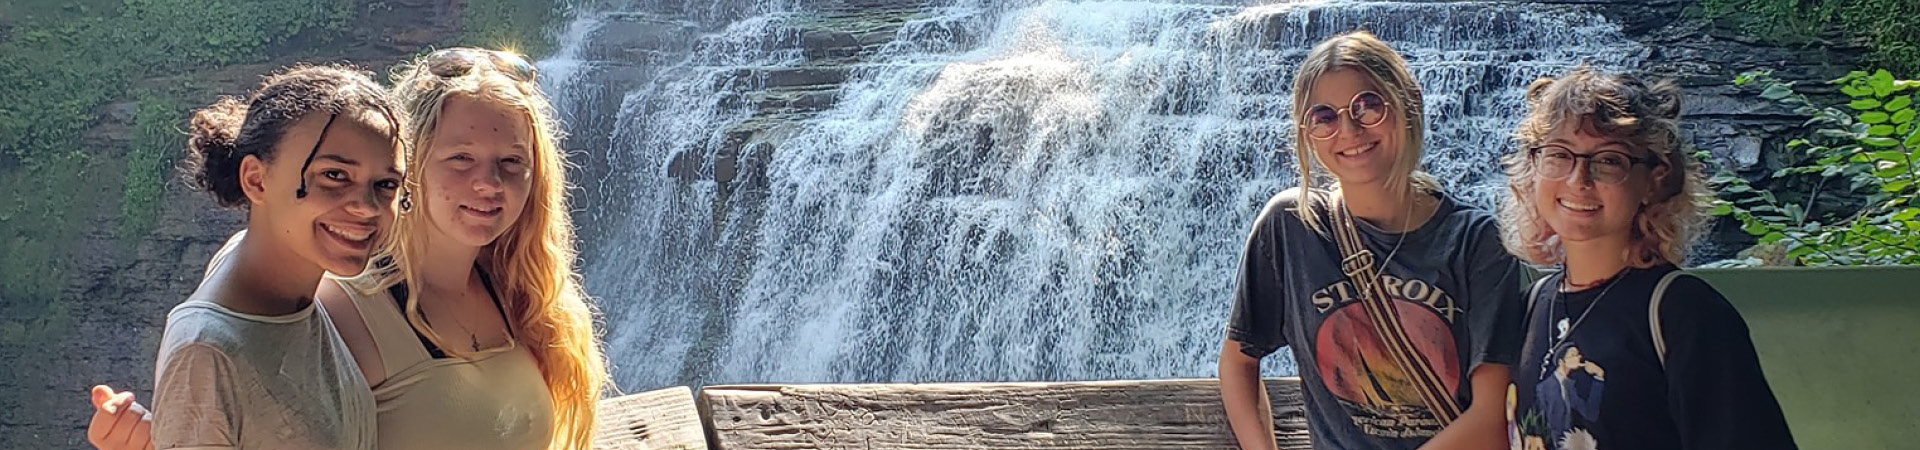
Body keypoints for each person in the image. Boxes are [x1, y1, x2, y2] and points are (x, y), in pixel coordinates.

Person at [87, 48, 609, 450]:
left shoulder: (518, 286)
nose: (488, 184)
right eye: (460, 158)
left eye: (511, 163)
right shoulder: (332, 298)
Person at [1218, 31, 1526, 450]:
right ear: (1308, 134)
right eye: (1324, 117)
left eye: (1368, 106)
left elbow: (1491, 420)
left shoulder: (1478, 241)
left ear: (1409, 102)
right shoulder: (1291, 226)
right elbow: (1239, 359)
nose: (1349, 129)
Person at [1498, 66, 1795, 450]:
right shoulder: (1532, 304)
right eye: (1558, 155)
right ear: (1532, 169)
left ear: (1655, 178)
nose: (1579, 179)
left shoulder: (1687, 315)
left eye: (1609, 160)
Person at [139, 64, 404, 450]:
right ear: (256, 180)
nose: (366, 207)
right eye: (334, 176)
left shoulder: (270, 271)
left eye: (386, 185)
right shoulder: (206, 356)